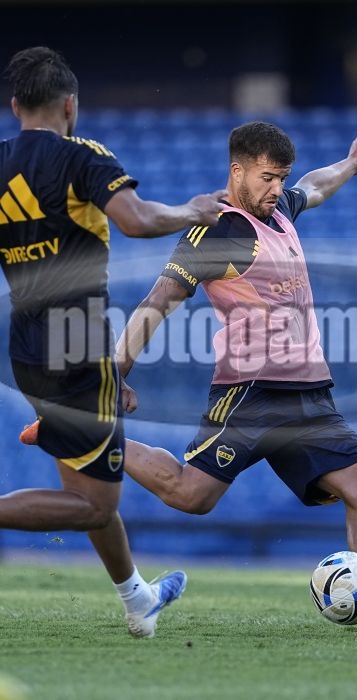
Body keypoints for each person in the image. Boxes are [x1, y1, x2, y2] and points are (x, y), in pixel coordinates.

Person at [27, 119, 357, 636]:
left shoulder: (280, 211)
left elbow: (315, 187)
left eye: (281, 179)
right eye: (267, 178)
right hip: (251, 393)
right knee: (191, 496)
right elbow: (159, 299)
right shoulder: (219, 231)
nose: (276, 189)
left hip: (310, 396)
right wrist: (117, 372)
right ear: (237, 171)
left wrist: (350, 164)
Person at [0, 45, 226, 639]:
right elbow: (137, 220)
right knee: (96, 504)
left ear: (16, 105)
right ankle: (136, 597)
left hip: (26, 346)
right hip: (77, 342)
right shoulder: (83, 156)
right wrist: (192, 210)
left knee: (88, 480)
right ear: (70, 106)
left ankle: (137, 599)